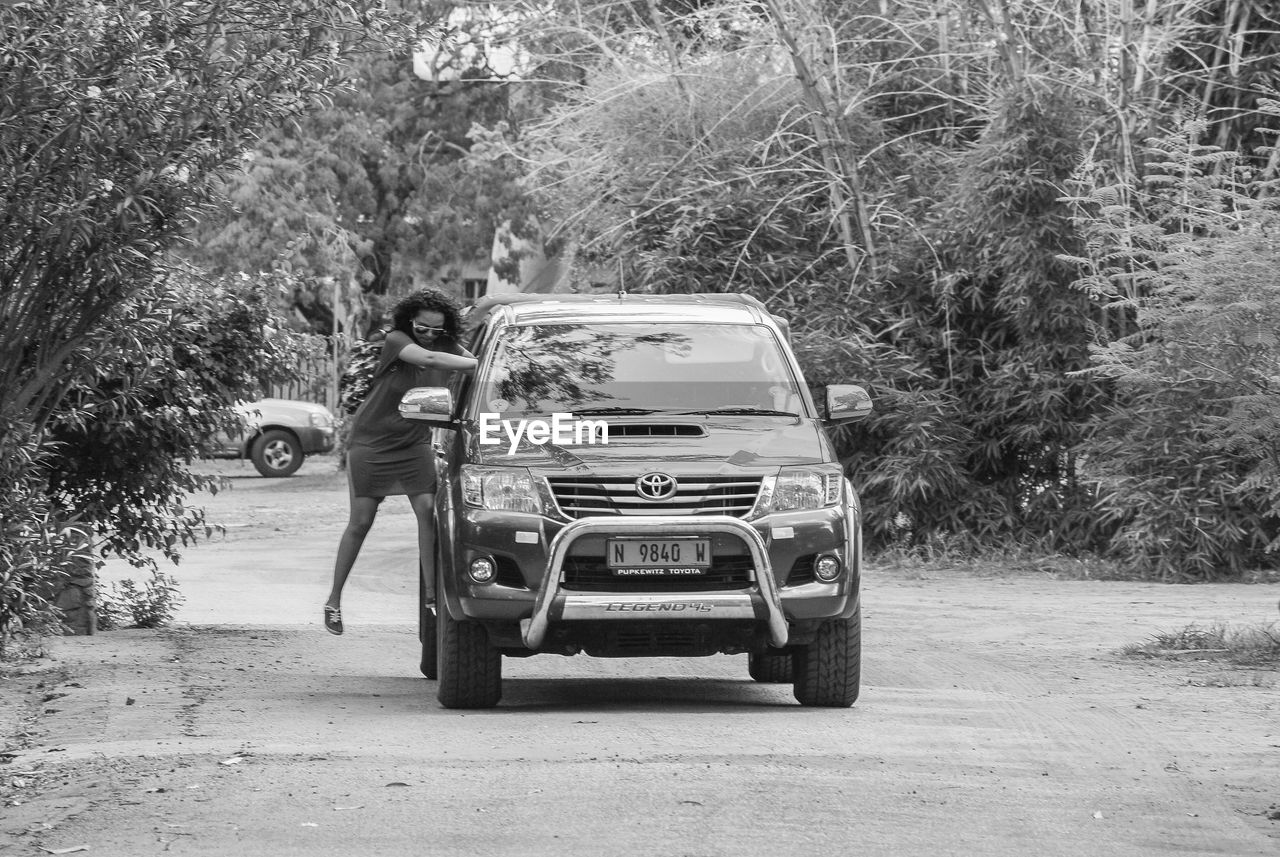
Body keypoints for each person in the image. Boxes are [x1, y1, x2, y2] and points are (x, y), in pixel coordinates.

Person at [324, 288, 478, 635]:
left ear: (446, 328)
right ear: (409, 320)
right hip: (371, 442)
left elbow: (471, 364)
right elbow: (429, 361)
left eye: (435, 331)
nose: (427, 335)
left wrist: (494, 365)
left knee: (427, 511)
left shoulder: (448, 346)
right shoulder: (397, 340)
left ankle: (430, 598)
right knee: (361, 521)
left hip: (413, 444)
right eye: (422, 328)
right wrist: (483, 364)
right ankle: (334, 600)